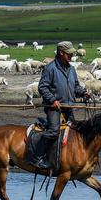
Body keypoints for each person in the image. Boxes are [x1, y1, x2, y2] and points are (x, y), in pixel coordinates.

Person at [33, 41, 88, 169]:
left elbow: (76, 87)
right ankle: (39, 156)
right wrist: (52, 100)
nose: (71, 55)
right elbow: (42, 87)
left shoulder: (71, 69)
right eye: (69, 53)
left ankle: (67, 158)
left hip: (68, 107)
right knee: (53, 131)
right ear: (61, 53)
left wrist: (84, 93)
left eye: (72, 53)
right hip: (54, 108)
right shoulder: (50, 68)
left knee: (76, 132)